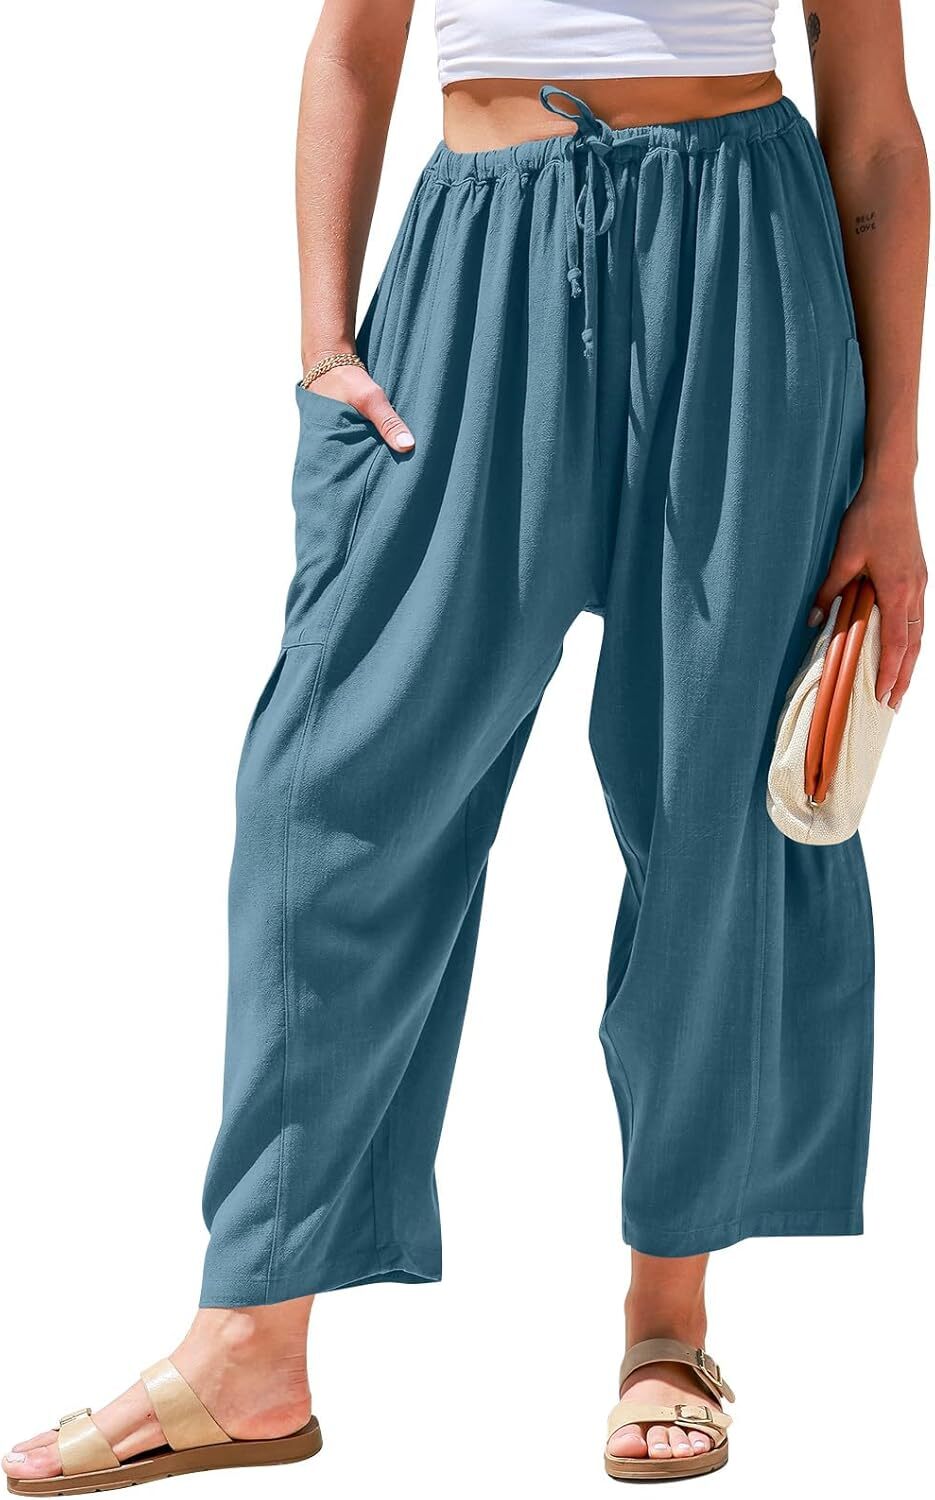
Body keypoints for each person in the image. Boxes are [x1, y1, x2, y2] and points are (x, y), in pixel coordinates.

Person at [4, 0, 928, 1489]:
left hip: (744, 257)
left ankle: (669, 1318)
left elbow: (873, 125)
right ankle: (252, 1339)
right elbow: (354, 45)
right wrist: (323, 343)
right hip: (476, 260)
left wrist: (890, 474)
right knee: (327, 785)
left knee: (714, 803)